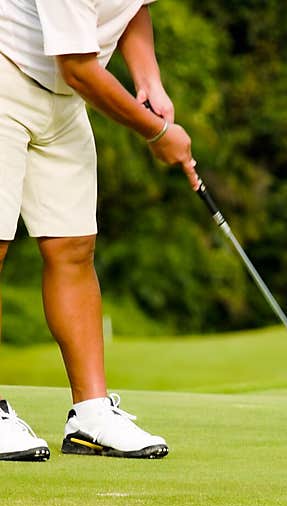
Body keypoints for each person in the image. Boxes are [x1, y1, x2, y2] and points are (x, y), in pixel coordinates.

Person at [0, 0, 198, 461]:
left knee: (72, 247)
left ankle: (91, 415)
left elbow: (132, 8)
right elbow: (79, 69)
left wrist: (149, 80)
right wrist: (155, 132)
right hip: (9, 74)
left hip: (63, 102)